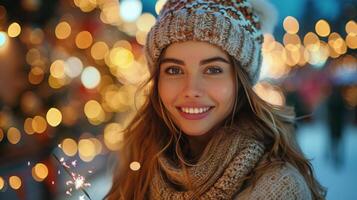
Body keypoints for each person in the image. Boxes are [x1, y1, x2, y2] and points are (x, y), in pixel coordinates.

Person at [106, 0, 326, 199]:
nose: (191, 90)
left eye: (212, 69)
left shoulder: (279, 187)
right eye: (174, 70)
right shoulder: (138, 166)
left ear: (240, 82)